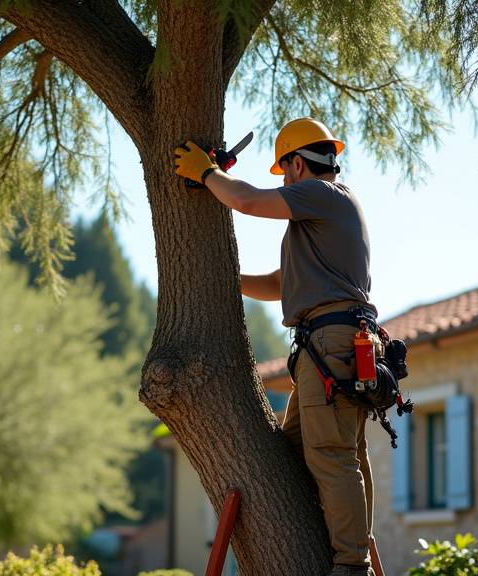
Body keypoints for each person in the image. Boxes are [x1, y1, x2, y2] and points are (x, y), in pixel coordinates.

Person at [173, 117, 383, 576]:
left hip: (333, 340)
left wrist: (206, 173)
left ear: (297, 163)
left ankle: (351, 566)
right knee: (297, 450)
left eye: (285, 168)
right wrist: (225, 280)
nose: (284, 179)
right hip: (328, 343)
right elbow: (277, 284)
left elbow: (246, 200)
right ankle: (332, 545)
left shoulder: (323, 194)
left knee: (331, 453)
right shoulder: (323, 217)